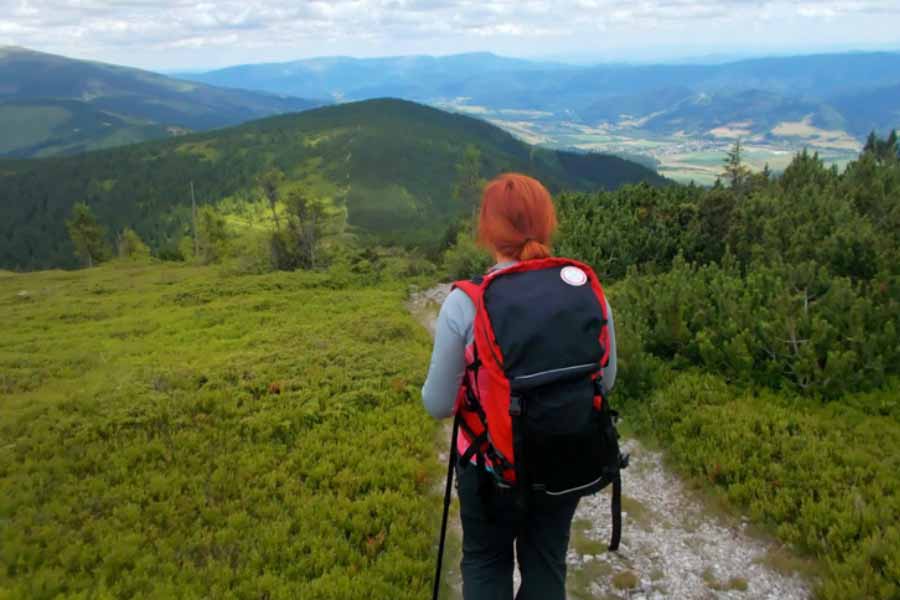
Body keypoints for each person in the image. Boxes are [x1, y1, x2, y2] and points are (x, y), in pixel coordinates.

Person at [422, 173, 618, 600]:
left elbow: (437, 403)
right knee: (547, 560)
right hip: (564, 459)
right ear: (547, 223)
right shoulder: (585, 292)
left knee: (486, 561)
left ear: (487, 230)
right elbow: (605, 379)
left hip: (490, 469)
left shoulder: (466, 302)